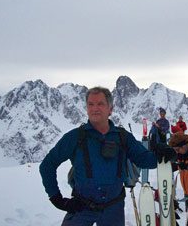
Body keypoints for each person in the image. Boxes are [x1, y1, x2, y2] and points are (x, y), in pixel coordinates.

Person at [39, 86, 175, 226]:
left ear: (110, 109)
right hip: (81, 207)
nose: (95, 108)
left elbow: (144, 159)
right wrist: (56, 199)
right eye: (90, 104)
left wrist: (163, 155)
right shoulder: (75, 137)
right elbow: (47, 165)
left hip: (113, 210)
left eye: (100, 104)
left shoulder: (123, 137)